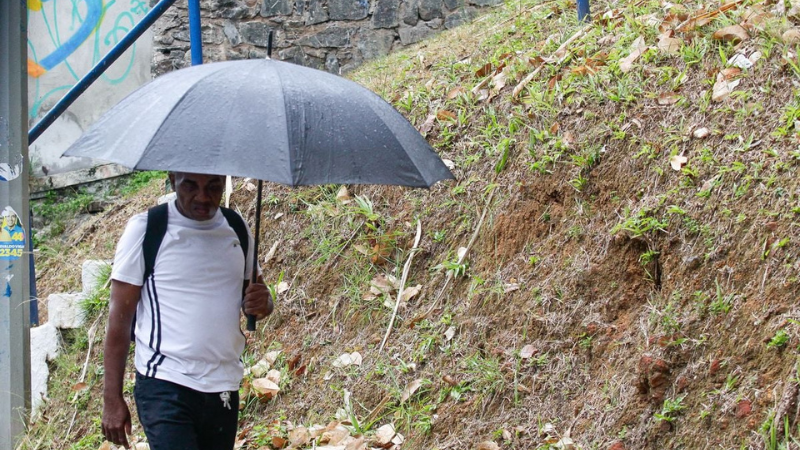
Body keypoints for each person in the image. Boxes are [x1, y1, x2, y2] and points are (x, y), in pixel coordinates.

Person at [102, 172, 273, 450]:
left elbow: (259, 298)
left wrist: (263, 303)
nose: (203, 197)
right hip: (165, 383)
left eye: (214, 186)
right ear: (173, 180)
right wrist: (112, 398)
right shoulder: (148, 229)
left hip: (223, 384)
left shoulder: (236, 228)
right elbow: (118, 324)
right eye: (191, 186)